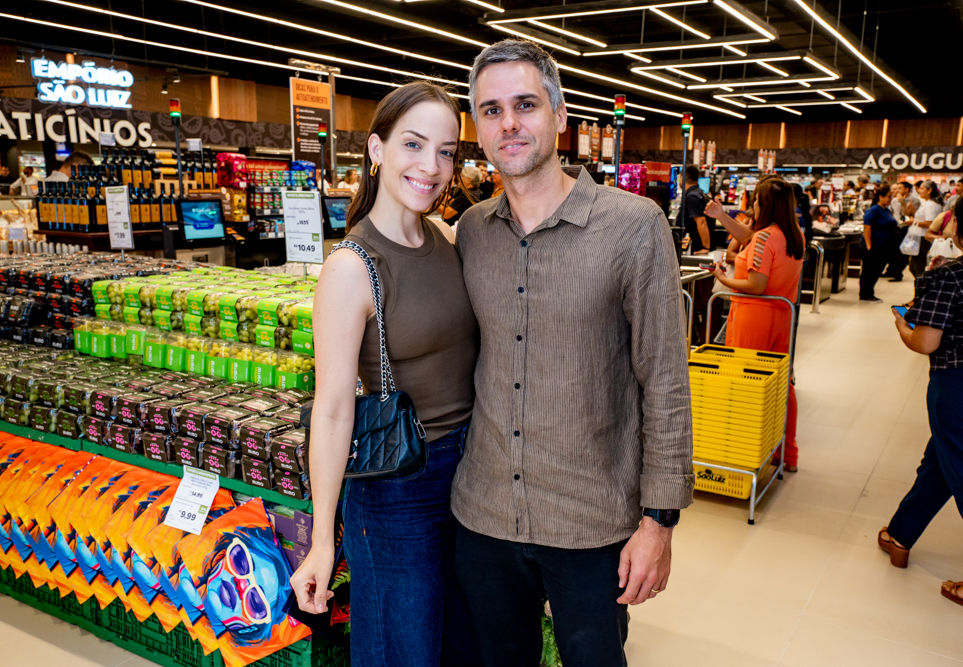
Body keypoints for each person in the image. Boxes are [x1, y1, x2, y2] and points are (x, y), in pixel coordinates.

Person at [453, 39, 693, 666]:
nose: (509, 123)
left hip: (592, 522)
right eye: (491, 110)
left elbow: (664, 380)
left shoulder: (634, 225)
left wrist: (658, 521)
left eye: (525, 104)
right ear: (476, 128)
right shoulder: (472, 232)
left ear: (560, 116)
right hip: (483, 514)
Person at [289, 80, 480, 666]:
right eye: (414, 145)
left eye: (446, 151)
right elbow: (333, 408)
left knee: (460, 650)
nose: (432, 166)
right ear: (376, 150)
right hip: (399, 490)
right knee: (404, 654)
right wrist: (324, 541)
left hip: (474, 478)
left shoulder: (449, 239)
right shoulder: (351, 267)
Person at [880, 187, 963, 614]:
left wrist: (902, 323)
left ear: (956, 224)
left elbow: (926, 341)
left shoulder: (947, 275)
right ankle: (901, 534)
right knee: (942, 462)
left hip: (959, 388)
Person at [706, 177, 805, 472]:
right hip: (782, 316)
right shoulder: (791, 234)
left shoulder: (765, 238)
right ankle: (786, 454)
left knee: (745, 385)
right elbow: (751, 238)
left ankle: (743, 453)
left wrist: (722, 278)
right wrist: (722, 216)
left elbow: (756, 284)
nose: (755, 204)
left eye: (758, 200)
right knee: (781, 386)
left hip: (753, 315)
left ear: (766, 204)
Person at [859, 186, 898, 302]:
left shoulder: (886, 210)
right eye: (888, 197)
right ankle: (865, 294)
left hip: (884, 245)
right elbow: (867, 227)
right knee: (869, 270)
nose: (890, 199)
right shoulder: (874, 210)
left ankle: (869, 292)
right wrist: (869, 244)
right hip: (874, 245)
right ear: (880, 197)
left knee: (876, 270)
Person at [908, 180, 944, 279]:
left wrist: (913, 222)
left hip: (923, 238)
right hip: (920, 238)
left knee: (918, 268)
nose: (919, 191)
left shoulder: (931, 205)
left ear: (929, 191)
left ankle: (920, 291)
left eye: (922, 188)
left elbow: (929, 223)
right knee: (913, 267)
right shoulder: (927, 203)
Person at [682, 164, 710, 254]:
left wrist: (705, 248)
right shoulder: (699, 193)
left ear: (683, 177)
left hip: (695, 247)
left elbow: (702, 222)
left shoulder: (692, 197)